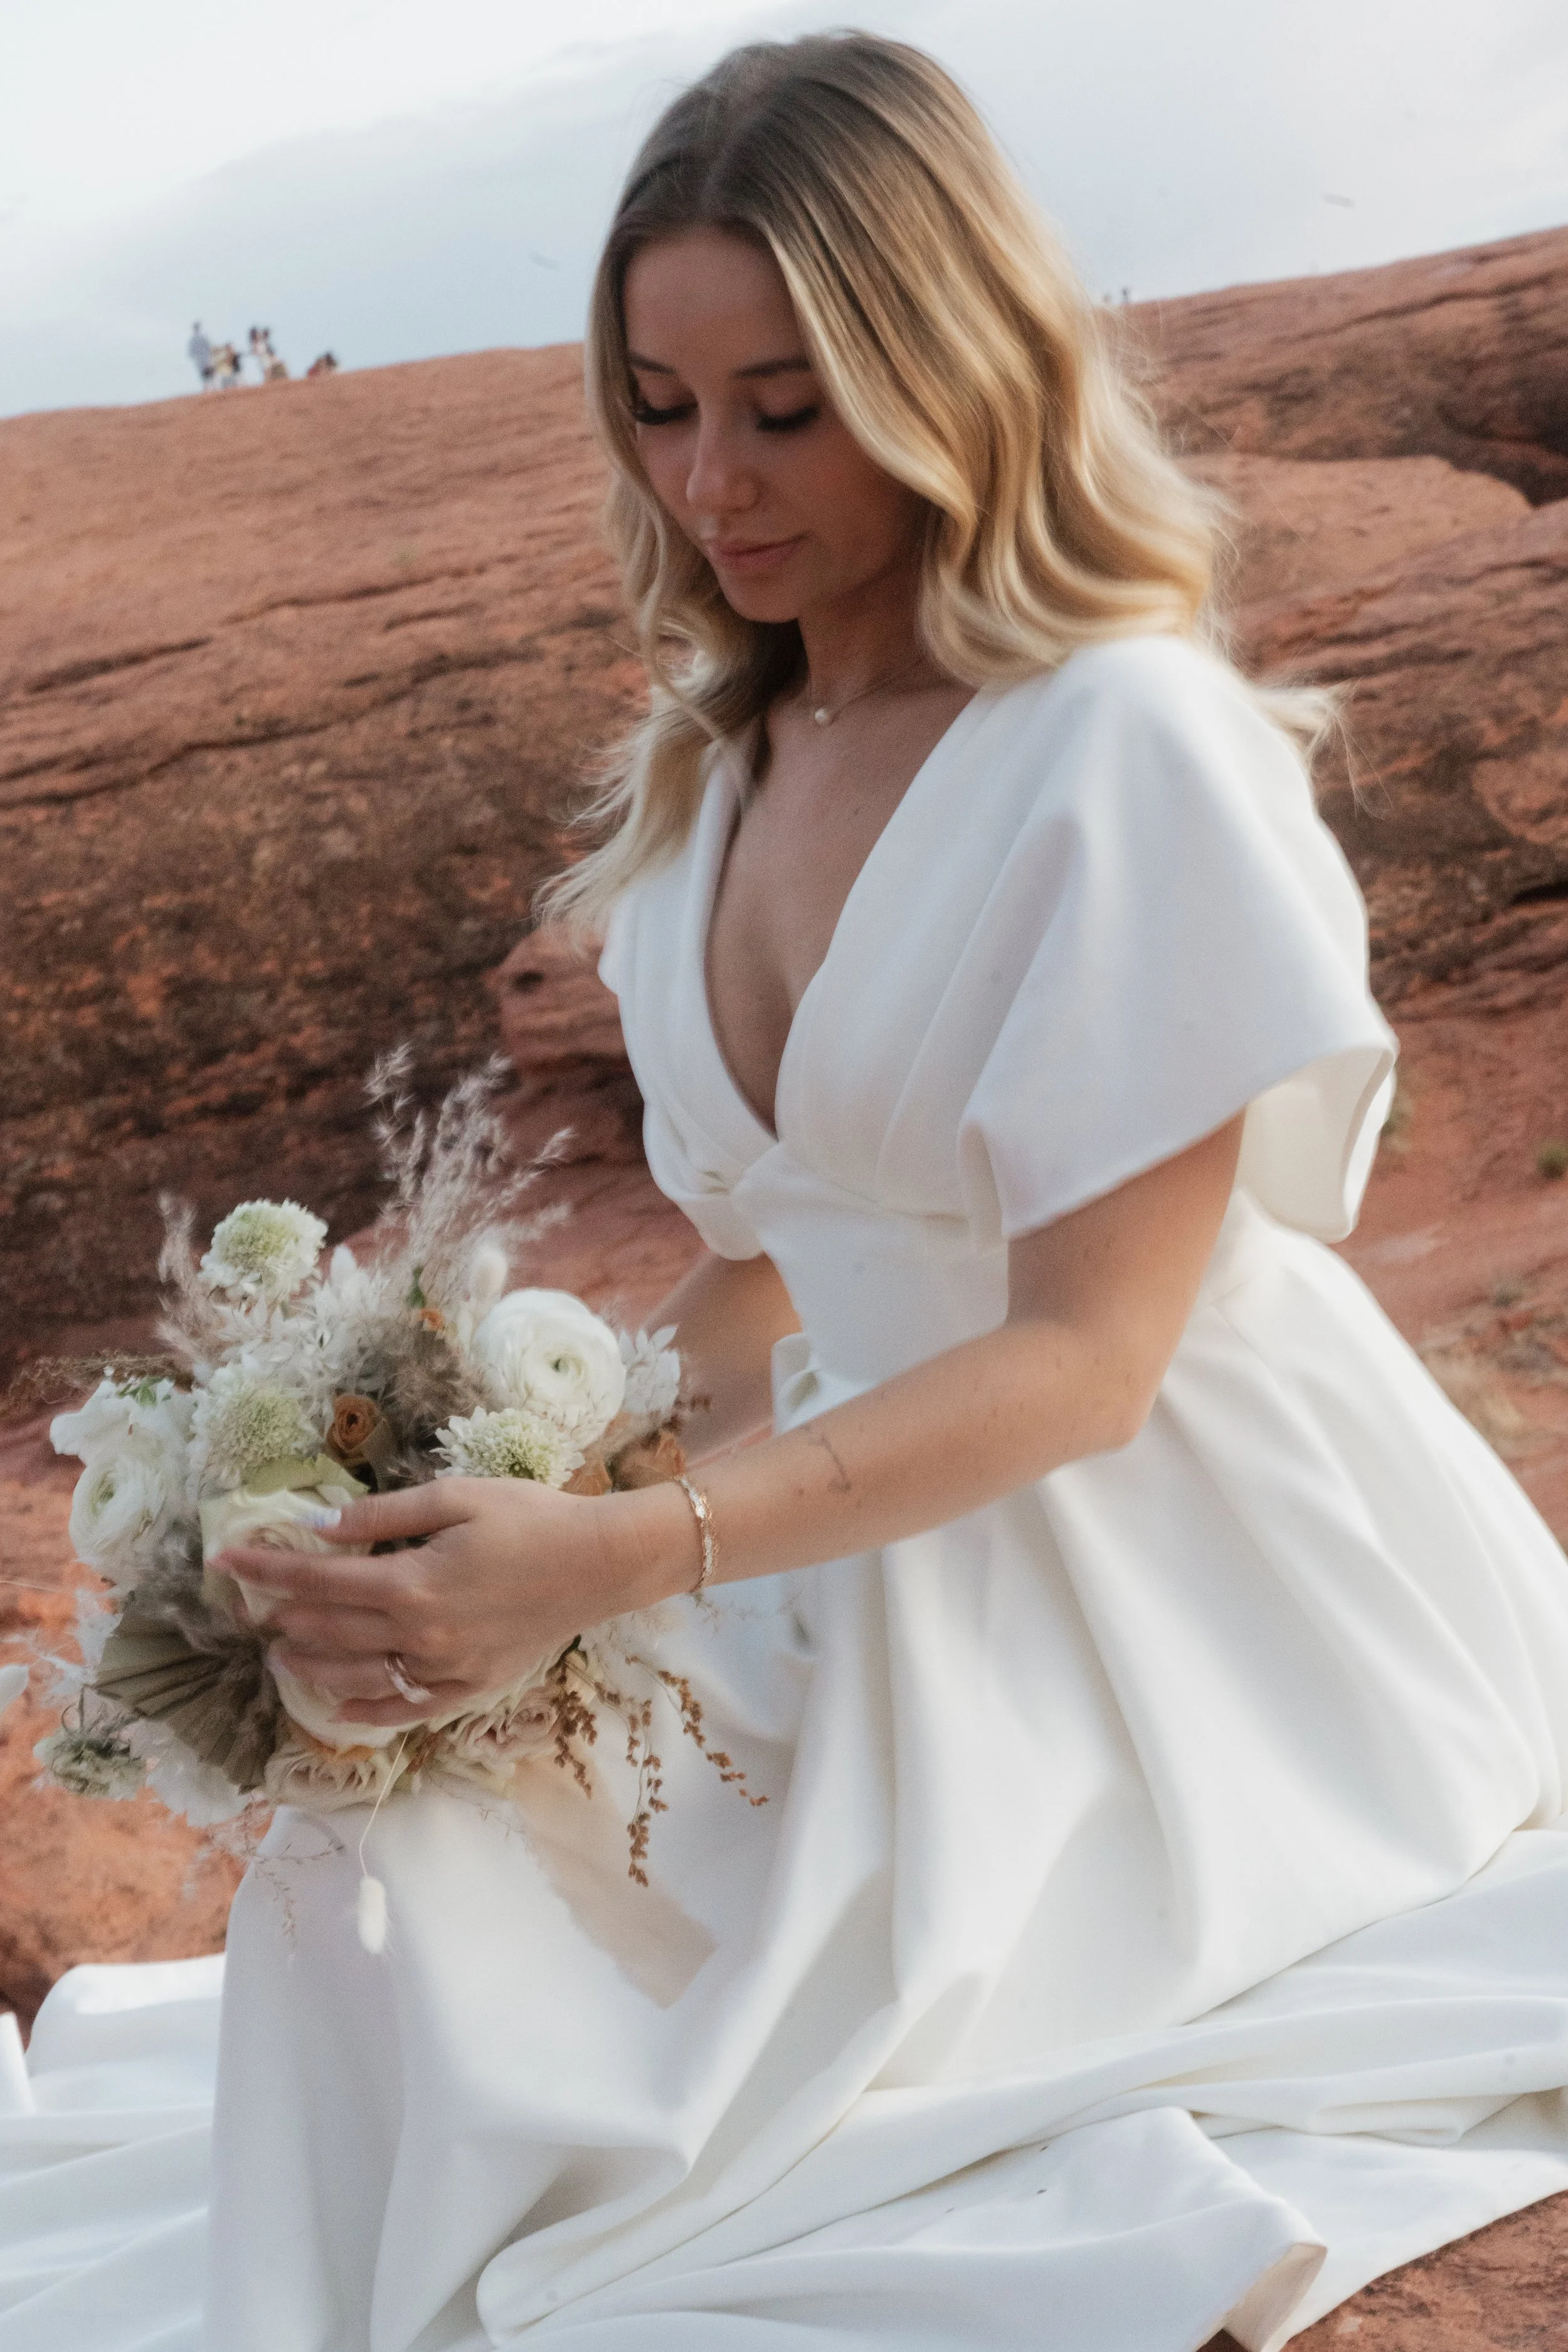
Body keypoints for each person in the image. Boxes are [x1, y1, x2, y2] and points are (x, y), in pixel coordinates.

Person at [4, 34, 1568, 2352]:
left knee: (684, 2077)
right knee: (388, 1856)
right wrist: (482, 1477)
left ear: (948, 369)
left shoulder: (1112, 743)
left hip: (1184, 1604)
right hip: (839, 1529)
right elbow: (768, 1257)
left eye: (787, 404)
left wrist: (631, 1547)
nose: (712, 478)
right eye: (658, 401)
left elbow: (1088, 1357)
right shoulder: (722, 754)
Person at [187, 319, 212, 388]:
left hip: (204, 357)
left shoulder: (202, 337)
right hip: (200, 358)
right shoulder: (194, 339)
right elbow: (191, 350)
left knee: (207, 371)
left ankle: (209, 385)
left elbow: (208, 346)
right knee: (203, 372)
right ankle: (206, 385)